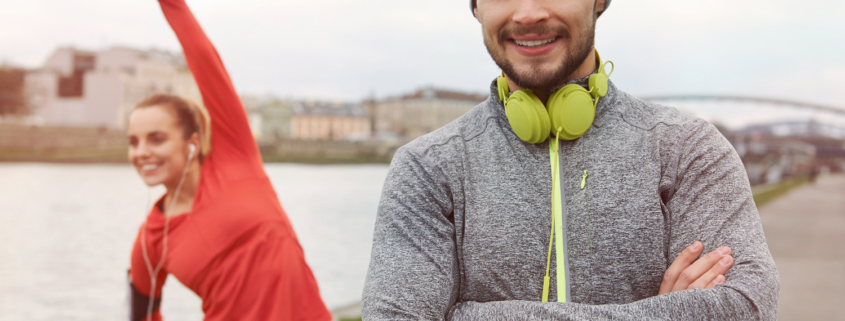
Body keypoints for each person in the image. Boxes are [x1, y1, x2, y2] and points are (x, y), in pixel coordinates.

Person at [362, 0, 779, 320]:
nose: (527, 14)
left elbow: (746, 304)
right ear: (474, 5)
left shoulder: (688, 149)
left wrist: (469, 313)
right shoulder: (427, 168)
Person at [125, 0, 331, 320]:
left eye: (157, 138)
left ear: (192, 142)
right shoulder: (151, 239)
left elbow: (204, 58)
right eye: (133, 142)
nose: (141, 153)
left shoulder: (235, 158)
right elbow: (140, 312)